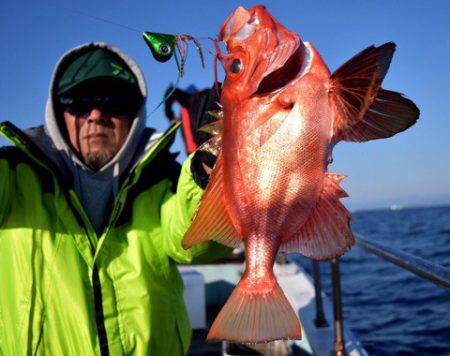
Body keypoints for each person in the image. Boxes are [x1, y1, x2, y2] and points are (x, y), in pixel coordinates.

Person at [0, 42, 230, 355]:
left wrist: (209, 167)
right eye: (79, 102)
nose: (96, 115)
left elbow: (197, 243)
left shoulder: (162, 179)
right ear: (57, 111)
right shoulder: (12, 176)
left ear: (134, 112)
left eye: (114, 101)